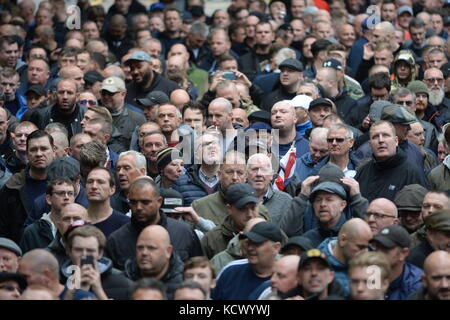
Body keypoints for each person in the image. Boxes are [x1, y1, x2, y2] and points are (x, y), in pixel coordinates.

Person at [105, 177, 203, 270]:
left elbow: (200, 271)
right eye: (133, 202)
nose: (138, 207)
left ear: (159, 201)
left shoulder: (184, 233)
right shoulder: (117, 240)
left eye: (145, 202)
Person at [0, 130, 55, 242]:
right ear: (27, 153)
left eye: (44, 149)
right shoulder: (12, 187)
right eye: (33, 150)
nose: (39, 154)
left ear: (53, 151)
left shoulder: (65, 184)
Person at [355, 120, 429, 203]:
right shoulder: (363, 172)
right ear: (370, 144)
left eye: (385, 135)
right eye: (375, 137)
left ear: (396, 141)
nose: (381, 140)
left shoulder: (413, 173)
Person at [211, 221, 282, 300]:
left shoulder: (287, 278)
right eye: (249, 242)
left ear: (276, 247)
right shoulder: (230, 271)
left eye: (257, 243)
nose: (250, 248)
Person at [60, 224, 132, 300]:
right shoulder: (58, 279)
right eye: (78, 250)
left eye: (90, 250)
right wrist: (71, 292)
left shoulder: (122, 282)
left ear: (100, 253)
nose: (84, 255)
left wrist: (98, 290)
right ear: (68, 251)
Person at [201, 183, 266, 259]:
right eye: (243, 209)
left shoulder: (271, 233)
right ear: (229, 209)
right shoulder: (212, 239)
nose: (250, 214)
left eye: (253, 208)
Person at [123, 225, 184, 300]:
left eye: (151, 248)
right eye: (140, 247)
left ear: (168, 251)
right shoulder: (121, 282)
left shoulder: (184, 284)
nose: (144, 253)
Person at [317, 218, 373, 297]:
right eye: (360, 247)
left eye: (367, 247)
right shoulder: (318, 266)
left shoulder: (372, 261)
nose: (365, 252)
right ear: (343, 240)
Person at [19, 177, 75, 253]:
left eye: (70, 193)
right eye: (61, 193)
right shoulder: (32, 232)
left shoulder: (81, 228)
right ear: (49, 199)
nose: (67, 197)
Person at [18, 249, 96, 300]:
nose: (22, 281)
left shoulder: (81, 297)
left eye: (26, 276)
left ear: (47, 274)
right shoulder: (22, 295)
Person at [372, 224, 423, 300]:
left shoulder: (416, 283)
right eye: (377, 248)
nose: (378, 253)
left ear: (403, 253)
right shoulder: (367, 275)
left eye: (385, 249)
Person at [173, 132, 221, 206]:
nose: (212, 147)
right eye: (206, 144)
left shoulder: (232, 179)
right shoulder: (180, 183)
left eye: (215, 143)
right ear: (197, 155)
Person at [247, 153, 292, 226]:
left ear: (271, 175)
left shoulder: (286, 201)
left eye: (264, 169)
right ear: (246, 174)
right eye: (254, 169)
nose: (259, 174)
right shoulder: (237, 199)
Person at [100, 76, 146, 146]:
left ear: (123, 94)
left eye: (110, 93)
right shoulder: (95, 116)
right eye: (103, 93)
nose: (106, 97)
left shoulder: (137, 118)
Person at [85, 167, 129, 237]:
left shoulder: (125, 224)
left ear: (112, 189)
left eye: (100, 182)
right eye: (90, 182)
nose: (94, 186)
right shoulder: (76, 220)